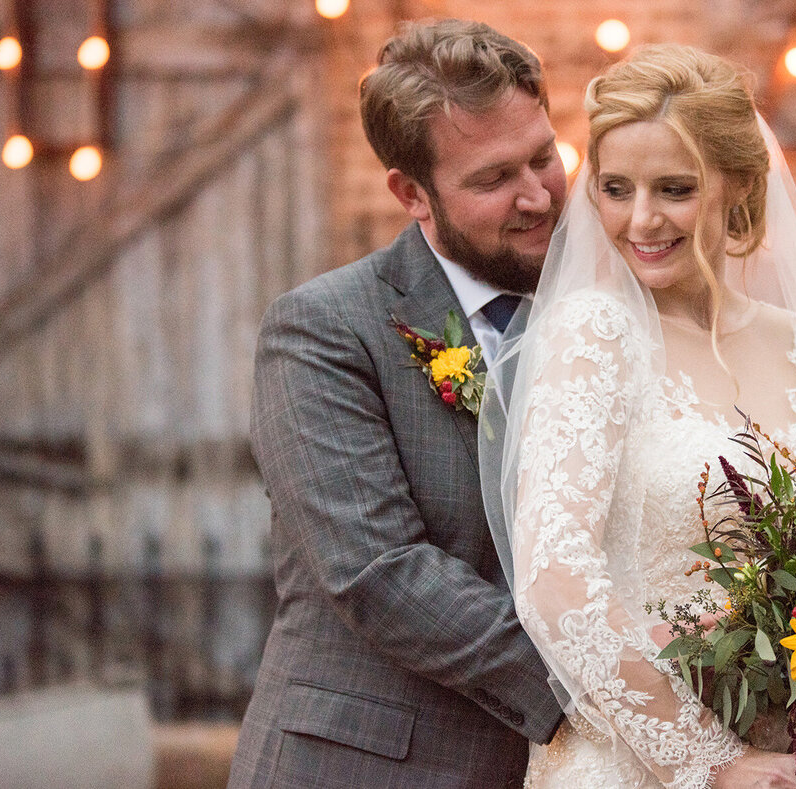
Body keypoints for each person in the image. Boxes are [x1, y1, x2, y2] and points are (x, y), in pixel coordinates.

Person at [480, 45, 796, 789]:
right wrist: (715, 763)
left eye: (674, 188)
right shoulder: (594, 333)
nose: (641, 219)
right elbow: (553, 579)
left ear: (736, 183)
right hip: (644, 760)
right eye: (614, 187)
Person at [228, 19, 567, 789]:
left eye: (543, 156)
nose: (537, 195)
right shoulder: (323, 328)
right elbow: (380, 572)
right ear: (412, 194)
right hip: (368, 766)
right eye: (491, 179)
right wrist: (613, 687)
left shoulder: (610, 313)